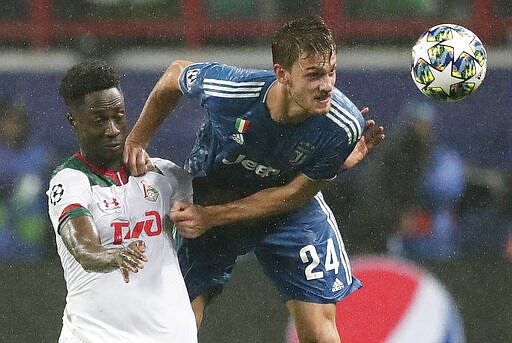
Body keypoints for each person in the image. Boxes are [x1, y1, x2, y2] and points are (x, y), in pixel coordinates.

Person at [124, 16, 385, 342]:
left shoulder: (343, 125)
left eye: (331, 71)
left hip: (288, 209)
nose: (328, 85)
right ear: (282, 74)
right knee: (176, 324)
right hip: (213, 192)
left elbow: (295, 195)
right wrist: (136, 140)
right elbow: (174, 74)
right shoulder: (232, 91)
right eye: (314, 75)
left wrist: (332, 163)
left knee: (321, 334)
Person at [47, 59, 197, 342]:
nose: (113, 129)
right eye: (99, 120)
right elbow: (84, 249)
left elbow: (209, 215)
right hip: (96, 335)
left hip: (170, 335)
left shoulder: (164, 175)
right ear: (73, 121)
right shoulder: (69, 181)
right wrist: (114, 254)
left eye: (118, 116)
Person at [0, 98, 50, 260]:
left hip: (31, 243)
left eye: (18, 122)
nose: (13, 127)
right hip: (3, 240)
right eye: (9, 121)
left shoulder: (39, 156)